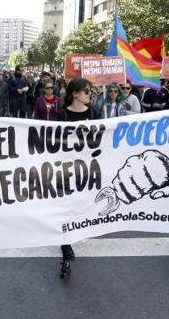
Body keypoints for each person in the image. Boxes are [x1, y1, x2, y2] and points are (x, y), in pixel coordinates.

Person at [56, 78, 98, 278]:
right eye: (86, 91)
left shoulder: (94, 113)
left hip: (88, 171)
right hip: (65, 171)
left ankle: (70, 241)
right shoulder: (62, 115)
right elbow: (51, 140)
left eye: (89, 91)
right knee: (65, 211)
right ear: (75, 93)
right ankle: (65, 253)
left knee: (80, 211)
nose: (89, 94)